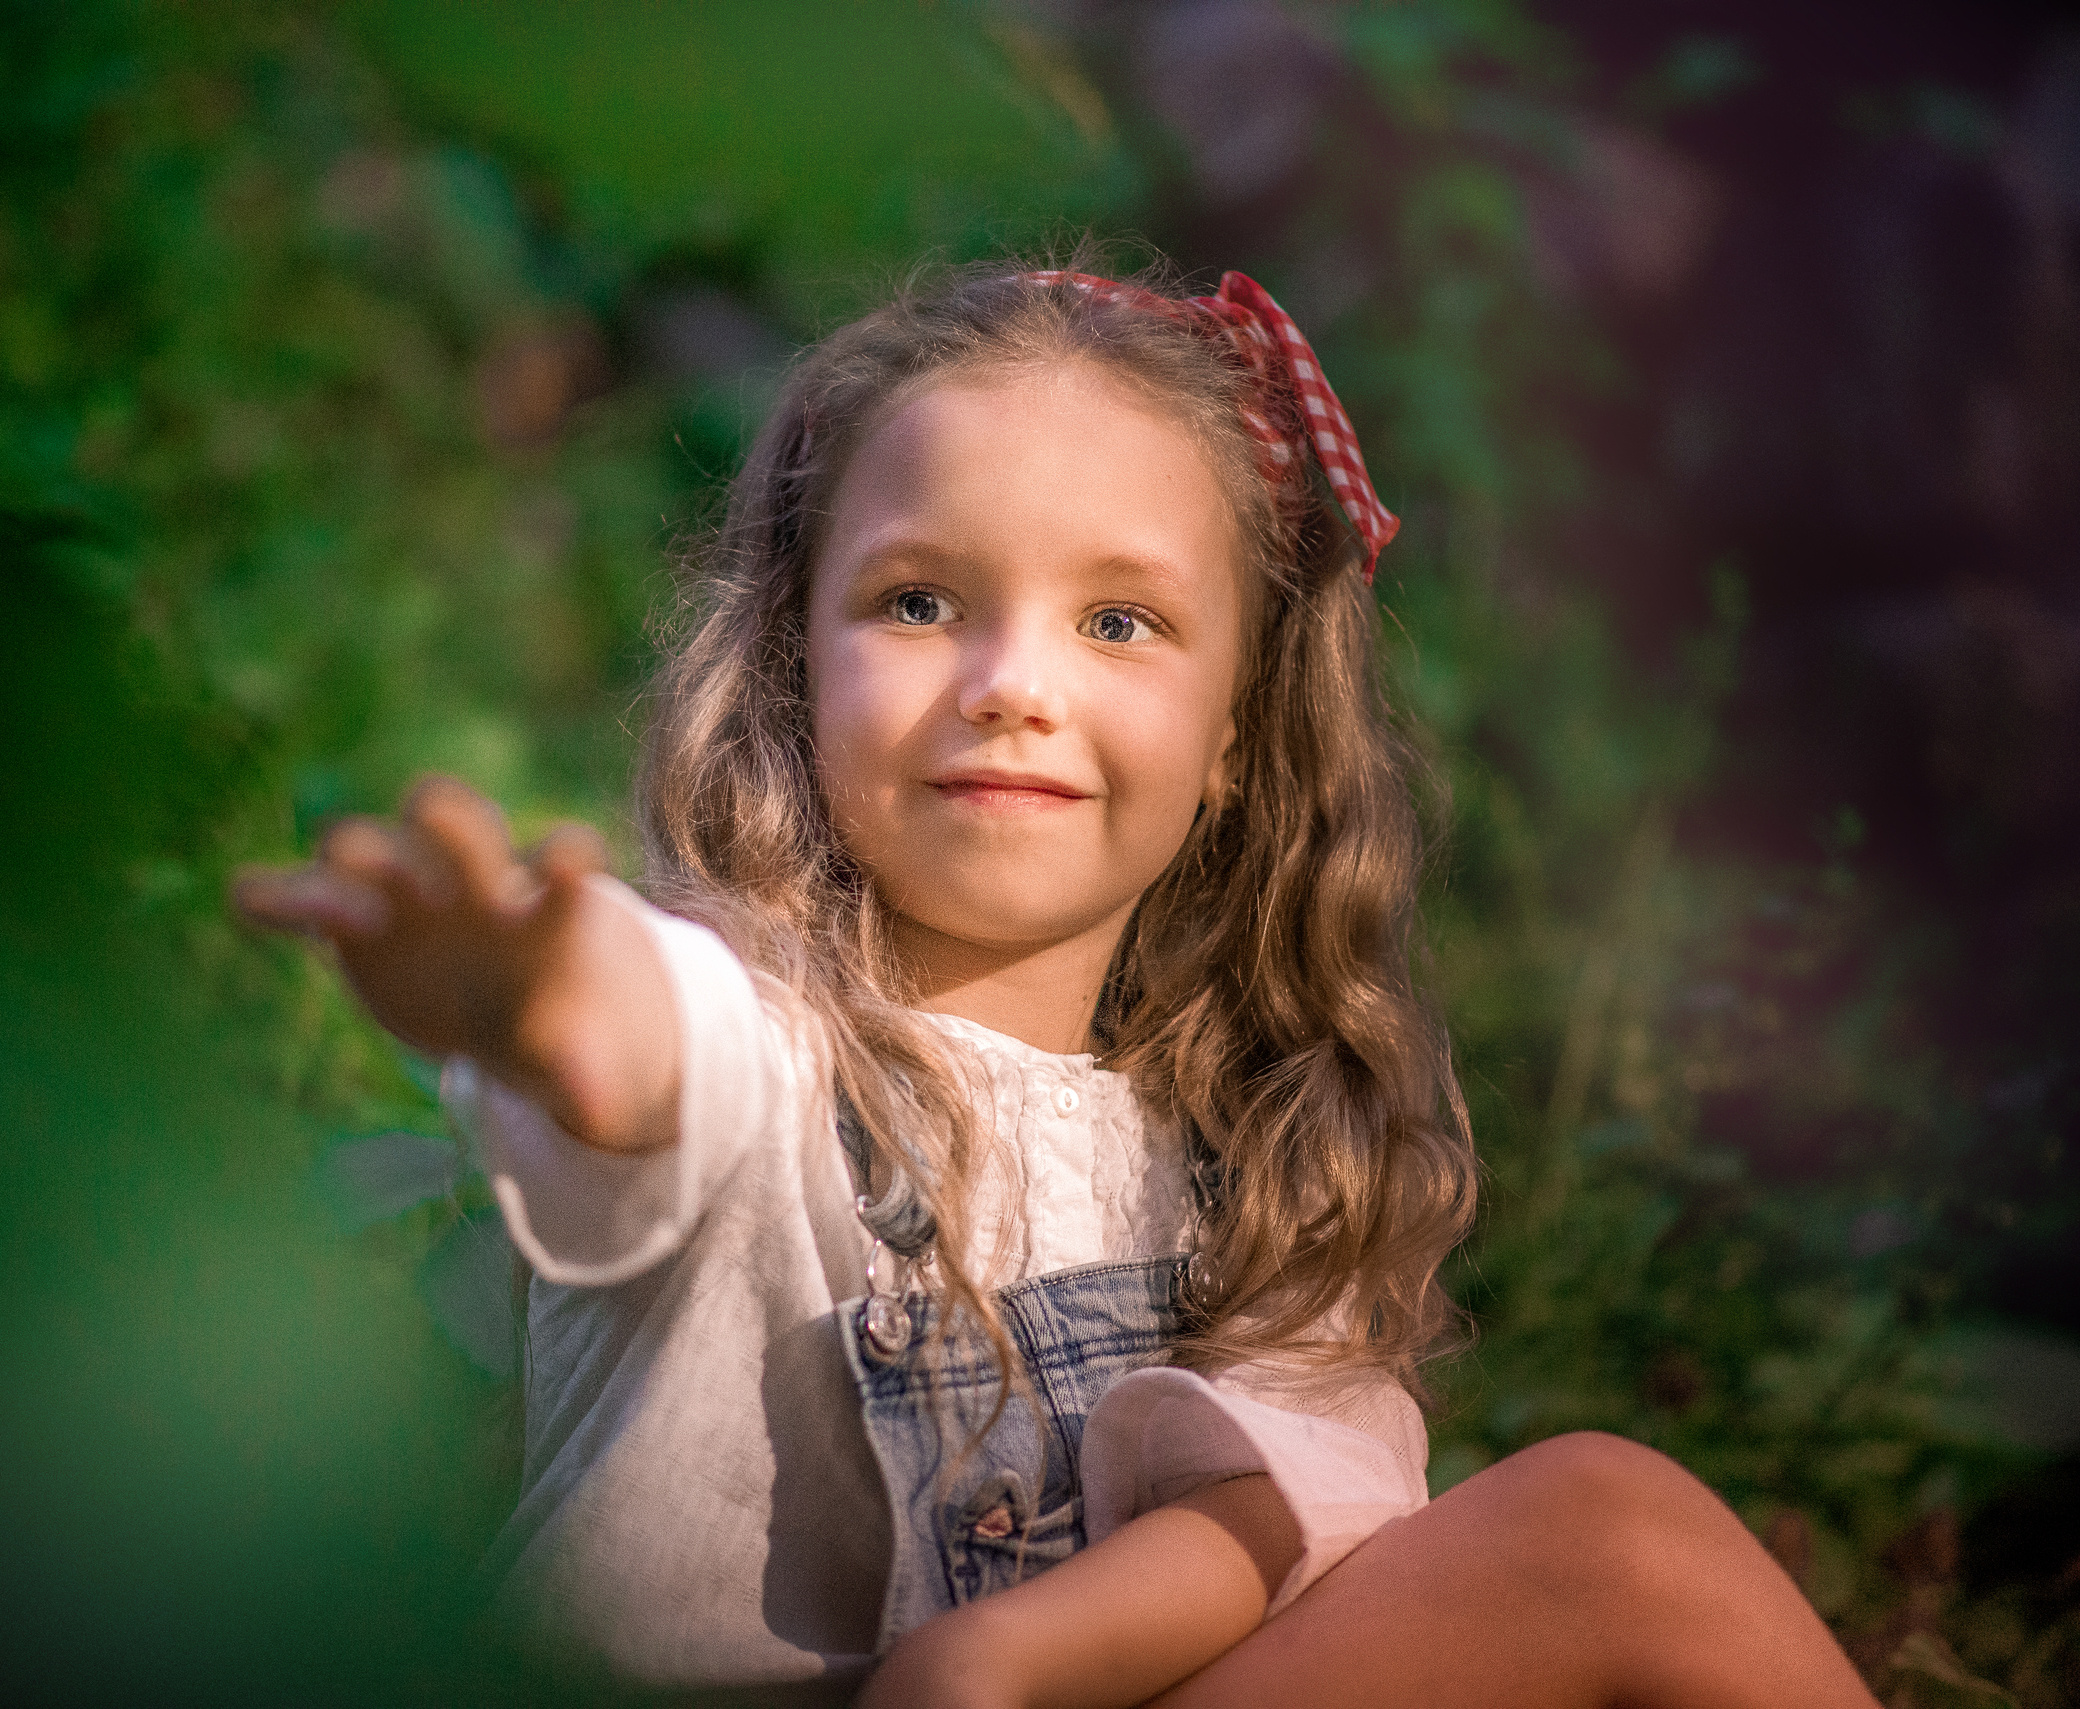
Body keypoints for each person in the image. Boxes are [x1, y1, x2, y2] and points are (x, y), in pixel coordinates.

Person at [236, 263, 1875, 1709]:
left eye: (1117, 620)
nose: (1013, 683)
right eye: (921, 601)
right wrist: (523, 985)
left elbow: (1297, 1481)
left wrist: (1002, 1653)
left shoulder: (1244, 1142)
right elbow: (643, 1038)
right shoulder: (766, 1046)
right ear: (799, 666)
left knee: (1610, 1527)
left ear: (1238, 737)